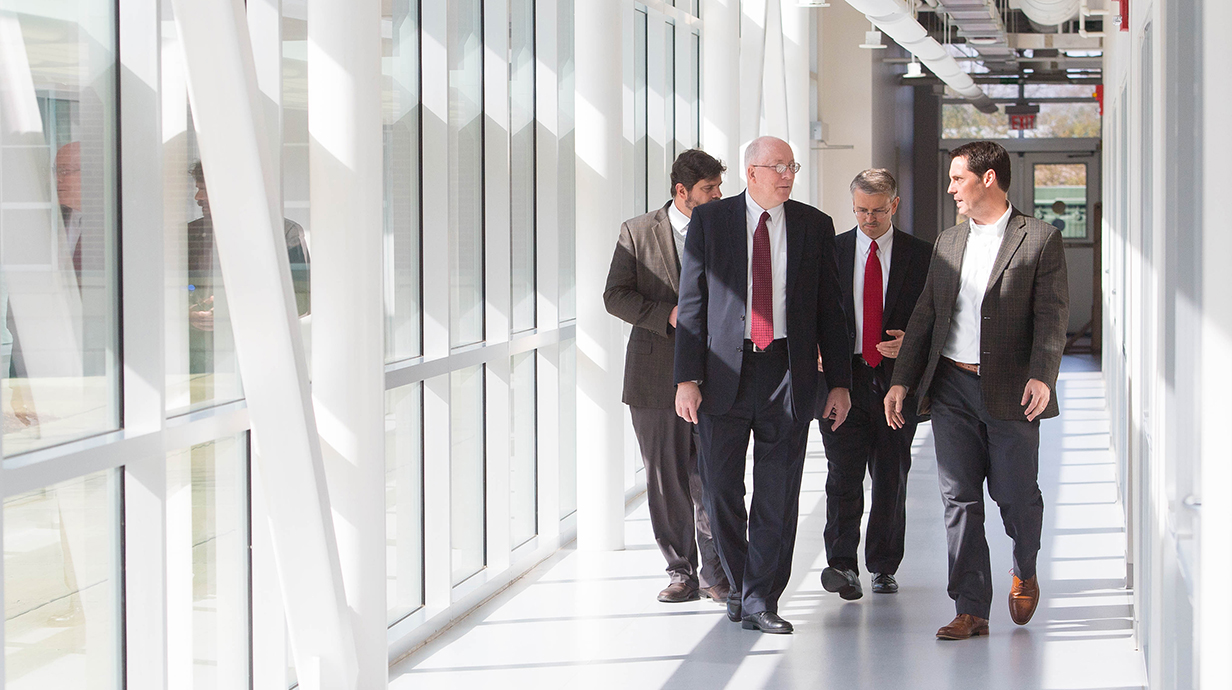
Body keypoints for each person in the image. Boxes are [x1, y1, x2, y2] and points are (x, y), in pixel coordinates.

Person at [884, 141, 1068, 640]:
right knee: (958, 498)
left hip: (1012, 389)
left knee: (1015, 495)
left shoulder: (1040, 238)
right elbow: (925, 315)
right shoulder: (947, 241)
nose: (950, 189)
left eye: (957, 179)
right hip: (950, 385)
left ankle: (1024, 567)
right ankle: (971, 607)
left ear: (988, 179)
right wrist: (902, 378)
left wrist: (1042, 375)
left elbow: (1052, 316)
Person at [674, 135, 852, 634]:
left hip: (787, 374)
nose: (788, 174)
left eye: (791, 166)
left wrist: (838, 382)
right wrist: (686, 378)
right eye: (778, 166)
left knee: (779, 492)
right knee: (721, 490)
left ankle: (760, 598)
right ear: (751, 173)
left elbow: (831, 313)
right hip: (720, 376)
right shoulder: (712, 221)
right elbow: (692, 305)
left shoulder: (815, 226)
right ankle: (739, 583)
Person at [604, 149, 730, 605]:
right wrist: (668, 314)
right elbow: (614, 296)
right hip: (654, 376)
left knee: (713, 476)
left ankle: (719, 573)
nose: (718, 195)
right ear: (682, 192)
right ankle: (681, 572)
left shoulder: (727, 227)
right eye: (709, 190)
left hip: (718, 373)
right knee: (666, 479)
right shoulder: (637, 232)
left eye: (719, 187)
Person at [816, 169, 931, 601]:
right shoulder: (833, 250)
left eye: (877, 210)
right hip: (842, 382)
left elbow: (936, 317)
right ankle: (842, 566)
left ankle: (883, 565)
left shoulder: (921, 255)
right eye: (861, 210)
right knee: (841, 476)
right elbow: (812, 309)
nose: (868, 218)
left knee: (890, 477)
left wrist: (912, 344)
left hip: (896, 384)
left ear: (894, 206)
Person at [187, 161, 311, 373]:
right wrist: (186, 311)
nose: (198, 197)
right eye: (198, 189)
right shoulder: (191, 233)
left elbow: (300, 300)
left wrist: (236, 311)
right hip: (199, 357)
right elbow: (177, 287)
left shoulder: (284, 232)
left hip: (258, 354)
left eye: (204, 190)